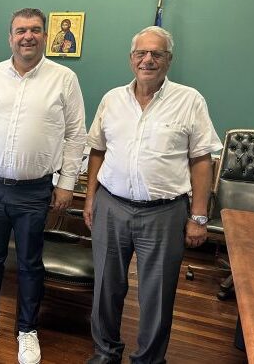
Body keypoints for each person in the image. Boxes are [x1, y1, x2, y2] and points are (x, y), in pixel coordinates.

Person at [83, 26, 222, 364]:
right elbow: (97, 150)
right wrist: (90, 199)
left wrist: (199, 216)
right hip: (111, 206)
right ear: (131, 59)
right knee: (105, 288)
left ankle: (148, 359)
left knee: (157, 295)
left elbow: (201, 160)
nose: (148, 60)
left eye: (156, 54)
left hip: (164, 213)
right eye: (141, 53)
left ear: (168, 60)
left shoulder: (189, 100)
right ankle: (105, 352)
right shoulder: (112, 99)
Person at [0, 8, 87, 364]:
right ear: (10, 37)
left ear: (45, 36)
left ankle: (27, 330)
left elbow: (76, 135)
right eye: (20, 30)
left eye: (35, 30)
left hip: (34, 190)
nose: (27, 36)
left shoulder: (64, 78)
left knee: (29, 262)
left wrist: (66, 183)